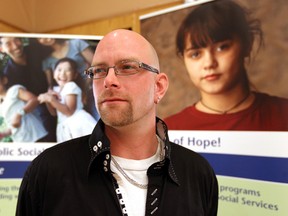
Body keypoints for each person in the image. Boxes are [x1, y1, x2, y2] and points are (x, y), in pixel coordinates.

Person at [16, 29, 218, 216]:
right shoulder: (48, 172)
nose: (108, 80)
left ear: (159, 87)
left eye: (127, 67)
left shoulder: (197, 174)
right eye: (99, 71)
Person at [164, 0, 288, 131]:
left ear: (247, 44)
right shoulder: (169, 130)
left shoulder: (283, 114)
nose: (209, 63)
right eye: (195, 54)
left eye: (222, 48)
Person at [0, 37, 57, 141]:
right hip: (39, 106)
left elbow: (57, 53)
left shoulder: (35, 48)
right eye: (8, 43)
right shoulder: (9, 75)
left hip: (59, 89)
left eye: (16, 40)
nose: (15, 45)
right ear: (2, 49)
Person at [37, 37, 99, 120]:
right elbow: (51, 84)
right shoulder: (47, 60)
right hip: (69, 97)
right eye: (40, 38)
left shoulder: (76, 43)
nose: (46, 38)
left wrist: (87, 83)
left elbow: (96, 64)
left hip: (91, 88)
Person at [38, 57, 97, 143]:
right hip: (64, 125)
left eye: (68, 70)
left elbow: (69, 111)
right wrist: (48, 101)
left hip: (77, 124)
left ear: (75, 75)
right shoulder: (55, 89)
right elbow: (53, 113)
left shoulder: (71, 86)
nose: (63, 74)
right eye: (59, 70)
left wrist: (51, 99)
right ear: (53, 73)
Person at [0, 68, 48, 142]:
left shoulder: (14, 90)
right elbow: (13, 126)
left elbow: (35, 100)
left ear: (4, 80)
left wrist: (19, 114)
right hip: (21, 142)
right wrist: (3, 134)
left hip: (36, 135)